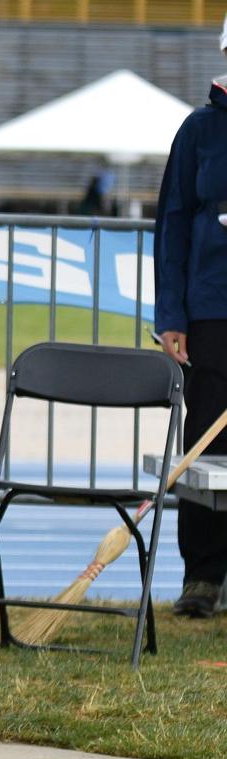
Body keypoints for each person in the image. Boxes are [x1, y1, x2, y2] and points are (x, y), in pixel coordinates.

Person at [154, 67, 227, 618]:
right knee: (206, 440)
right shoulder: (198, 129)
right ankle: (202, 575)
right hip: (210, 310)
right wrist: (171, 314)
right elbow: (173, 221)